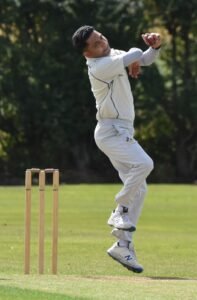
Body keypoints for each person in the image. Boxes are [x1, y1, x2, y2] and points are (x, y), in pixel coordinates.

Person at [72, 26, 161, 273]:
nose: (103, 42)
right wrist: (132, 58)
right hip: (110, 131)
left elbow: (143, 59)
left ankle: (123, 246)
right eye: (96, 43)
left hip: (122, 130)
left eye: (101, 37)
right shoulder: (99, 67)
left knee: (140, 189)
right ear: (87, 53)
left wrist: (154, 48)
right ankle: (119, 208)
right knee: (145, 164)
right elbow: (133, 54)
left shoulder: (111, 56)